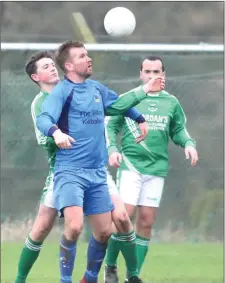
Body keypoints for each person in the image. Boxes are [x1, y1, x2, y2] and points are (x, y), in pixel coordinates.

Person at [36, 41, 165, 283]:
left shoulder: (96, 89)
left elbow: (117, 105)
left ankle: (90, 278)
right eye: (82, 56)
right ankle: (65, 281)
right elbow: (44, 118)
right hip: (70, 171)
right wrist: (56, 132)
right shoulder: (62, 91)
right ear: (69, 65)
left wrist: (139, 117)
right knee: (74, 227)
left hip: (96, 173)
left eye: (88, 55)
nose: (89, 59)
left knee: (105, 231)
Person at [104, 56, 199, 283]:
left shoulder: (171, 102)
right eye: (147, 71)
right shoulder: (131, 98)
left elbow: (178, 129)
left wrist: (188, 144)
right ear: (141, 74)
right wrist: (112, 149)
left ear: (164, 75)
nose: (152, 75)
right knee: (123, 216)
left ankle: (133, 275)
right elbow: (111, 125)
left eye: (157, 71)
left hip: (156, 168)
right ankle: (110, 266)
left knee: (146, 221)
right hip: (131, 165)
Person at [15, 51, 59, 283]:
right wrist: (62, 136)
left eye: (53, 64)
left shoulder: (72, 93)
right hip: (61, 172)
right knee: (41, 228)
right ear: (36, 77)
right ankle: (19, 280)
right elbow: (45, 140)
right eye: (46, 66)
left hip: (90, 167)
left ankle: (111, 272)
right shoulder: (40, 104)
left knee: (113, 222)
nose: (53, 68)